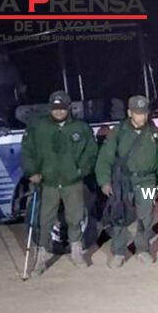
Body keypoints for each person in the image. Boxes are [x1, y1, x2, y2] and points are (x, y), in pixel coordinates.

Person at [21, 90, 98, 275]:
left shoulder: (80, 128)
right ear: (50, 108)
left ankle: (76, 252)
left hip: (72, 182)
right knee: (45, 220)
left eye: (62, 108)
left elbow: (90, 152)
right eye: (55, 108)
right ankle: (41, 258)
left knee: (75, 218)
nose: (59, 111)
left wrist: (80, 171)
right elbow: (27, 151)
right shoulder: (38, 127)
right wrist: (33, 171)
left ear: (68, 108)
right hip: (48, 182)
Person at [95, 95, 158, 267]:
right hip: (124, 181)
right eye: (138, 113)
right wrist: (104, 181)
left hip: (147, 180)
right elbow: (104, 159)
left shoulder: (154, 133)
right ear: (130, 113)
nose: (142, 117)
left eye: (144, 112)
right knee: (120, 217)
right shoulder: (119, 132)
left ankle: (143, 249)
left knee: (145, 218)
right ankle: (119, 252)